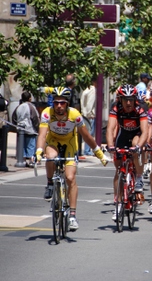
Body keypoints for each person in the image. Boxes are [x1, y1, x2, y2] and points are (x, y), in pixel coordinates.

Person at [36, 87, 107, 231]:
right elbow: (42, 135)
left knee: (70, 178)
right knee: (50, 157)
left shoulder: (75, 114)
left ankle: (73, 216)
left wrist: (99, 153)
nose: (59, 106)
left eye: (62, 103)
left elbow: (86, 136)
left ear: (67, 104)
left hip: (69, 144)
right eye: (56, 103)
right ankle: (50, 184)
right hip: (53, 142)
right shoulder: (46, 113)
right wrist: (38, 151)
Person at [106, 85, 149, 220]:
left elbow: (145, 131)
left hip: (136, 135)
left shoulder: (140, 109)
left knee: (136, 146)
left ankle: (139, 178)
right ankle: (118, 202)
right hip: (123, 135)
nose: (128, 103)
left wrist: (139, 146)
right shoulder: (116, 108)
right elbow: (110, 128)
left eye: (131, 99)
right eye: (125, 100)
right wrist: (110, 146)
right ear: (120, 100)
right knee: (119, 170)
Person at [12, 91, 39, 167]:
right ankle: (31, 160)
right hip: (30, 129)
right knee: (30, 145)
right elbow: (35, 118)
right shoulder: (31, 107)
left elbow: (14, 117)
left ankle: (23, 160)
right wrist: (37, 128)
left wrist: (16, 126)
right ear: (30, 98)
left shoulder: (19, 107)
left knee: (22, 145)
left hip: (21, 129)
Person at [81, 77, 97, 156]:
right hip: (89, 115)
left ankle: (87, 150)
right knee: (89, 133)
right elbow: (90, 103)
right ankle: (87, 150)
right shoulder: (93, 90)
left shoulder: (87, 89)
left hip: (85, 114)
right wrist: (90, 114)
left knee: (87, 132)